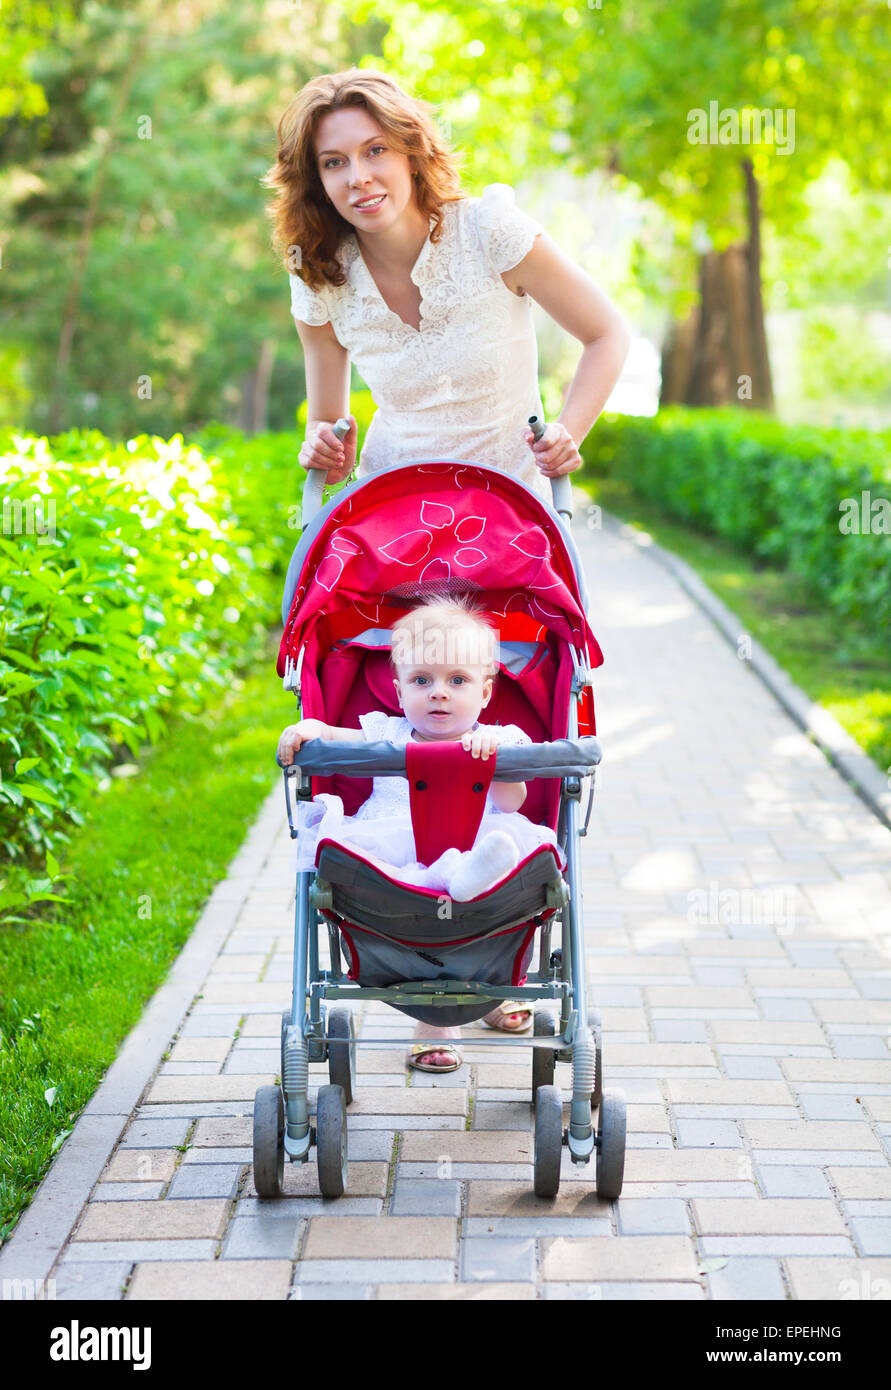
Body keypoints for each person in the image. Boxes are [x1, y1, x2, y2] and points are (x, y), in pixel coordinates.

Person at [263, 67, 631, 501]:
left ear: (411, 154)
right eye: (334, 162)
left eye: (376, 150)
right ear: (319, 184)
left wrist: (566, 435)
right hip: (393, 520)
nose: (357, 176)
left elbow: (607, 335)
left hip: (510, 515)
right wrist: (329, 455)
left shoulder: (490, 230)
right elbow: (326, 428)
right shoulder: (318, 274)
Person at [276, 596, 565, 1072]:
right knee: (376, 867)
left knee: (512, 848)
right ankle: (440, 1019)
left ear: (486, 693)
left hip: (480, 847)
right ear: (398, 689)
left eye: (457, 681)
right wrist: (310, 728)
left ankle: (480, 971)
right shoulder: (387, 733)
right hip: (396, 859)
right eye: (421, 680)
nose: (439, 693)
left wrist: (492, 761)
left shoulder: (500, 739)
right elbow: (334, 737)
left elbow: (512, 803)